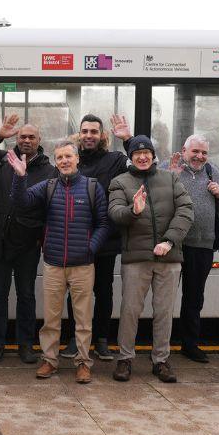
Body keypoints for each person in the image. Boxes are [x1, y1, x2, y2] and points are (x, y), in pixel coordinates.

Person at [9, 141, 110, 384]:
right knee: (51, 318)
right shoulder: (49, 186)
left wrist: (90, 248)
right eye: (60, 158)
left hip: (83, 265)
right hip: (54, 263)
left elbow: (104, 224)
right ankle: (49, 360)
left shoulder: (91, 187)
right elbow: (20, 203)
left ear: (77, 160)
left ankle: (84, 363)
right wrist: (21, 177)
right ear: (55, 162)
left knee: (83, 320)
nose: (64, 161)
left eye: (68, 156)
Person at [109, 135, 194, 384]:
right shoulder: (120, 182)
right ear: (131, 157)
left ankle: (161, 360)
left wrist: (168, 241)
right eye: (137, 154)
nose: (143, 157)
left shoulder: (171, 178)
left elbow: (186, 210)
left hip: (169, 256)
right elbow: (114, 213)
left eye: (147, 153)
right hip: (135, 259)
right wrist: (133, 211)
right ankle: (125, 358)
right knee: (130, 311)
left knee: (164, 312)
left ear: (153, 155)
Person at [0, 114, 55, 363]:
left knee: (27, 296)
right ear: (16, 139)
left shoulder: (49, 170)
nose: (26, 140)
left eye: (32, 137)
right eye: (22, 136)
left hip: (27, 245)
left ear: (39, 140)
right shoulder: (1, 160)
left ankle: (25, 345)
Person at [62, 114, 132, 360]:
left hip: (105, 240)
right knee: (77, 292)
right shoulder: (72, 159)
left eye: (94, 131)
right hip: (76, 239)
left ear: (102, 136)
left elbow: (139, 164)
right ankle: (74, 339)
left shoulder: (115, 160)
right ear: (79, 134)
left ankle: (101, 340)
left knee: (104, 291)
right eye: (85, 131)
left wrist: (128, 139)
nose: (89, 135)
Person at [168, 135, 219, 363]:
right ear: (184, 150)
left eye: (203, 152)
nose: (199, 156)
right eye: (195, 151)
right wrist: (171, 177)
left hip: (203, 245)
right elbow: (158, 197)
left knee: (194, 298)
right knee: (165, 297)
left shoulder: (212, 171)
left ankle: (190, 345)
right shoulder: (171, 167)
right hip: (174, 244)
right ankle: (162, 344)